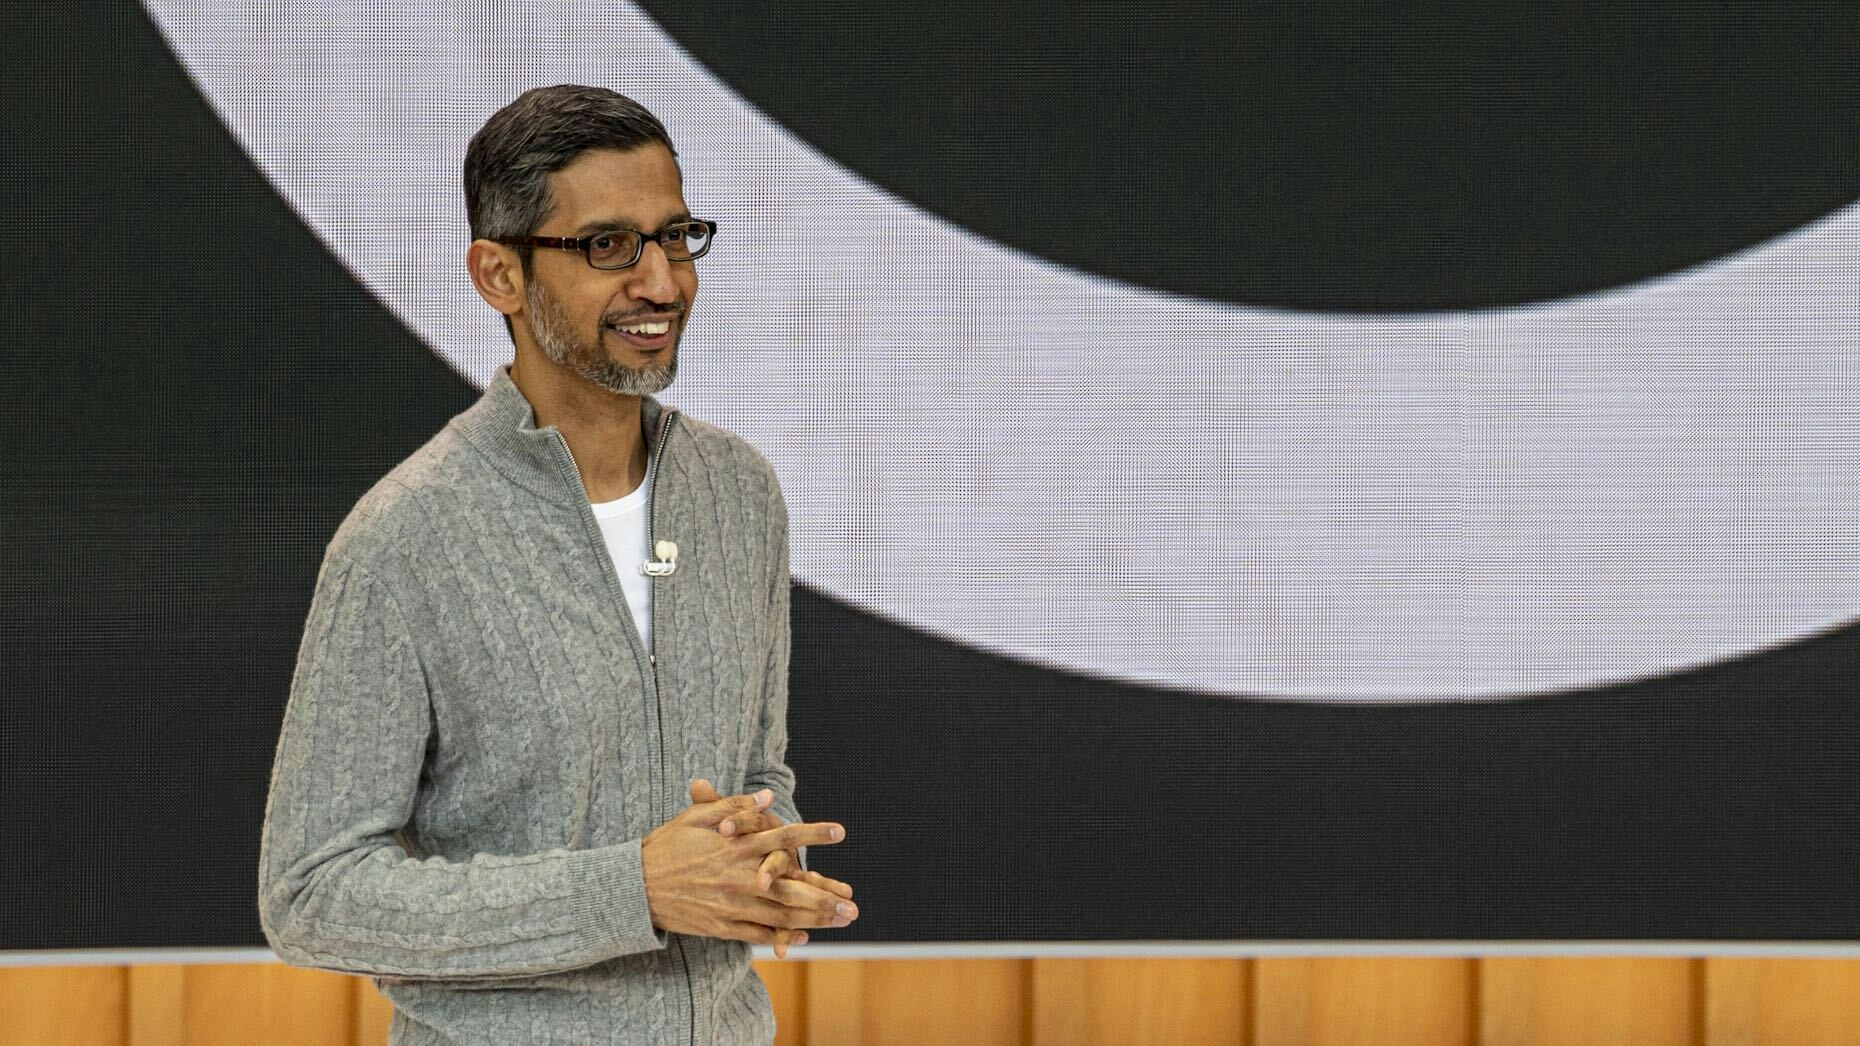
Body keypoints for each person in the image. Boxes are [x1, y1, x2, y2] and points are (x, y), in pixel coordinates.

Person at [257, 84, 855, 1045]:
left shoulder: (739, 494)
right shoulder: (404, 540)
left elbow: (754, 770)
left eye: (675, 237)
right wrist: (634, 889)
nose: (662, 283)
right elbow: (313, 895)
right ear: (499, 275)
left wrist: (761, 862)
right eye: (609, 246)